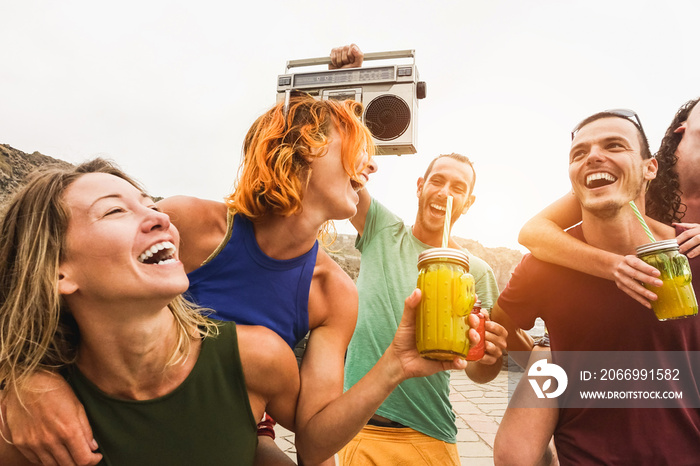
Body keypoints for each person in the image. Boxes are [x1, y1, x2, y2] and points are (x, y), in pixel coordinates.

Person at [2, 57, 484, 465]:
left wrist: (395, 365)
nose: (371, 165)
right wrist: (25, 382)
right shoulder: (186, 224)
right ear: (300, 153)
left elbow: (314, 442)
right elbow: (39, 287)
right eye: (356, 149)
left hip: (237, 427)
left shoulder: (332, 292)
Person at [0, 159, 300, 465]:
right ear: (57, 272)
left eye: (152, 206)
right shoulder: (31, 430)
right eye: (114, 211)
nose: (162, 219)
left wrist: (264, 443)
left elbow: (315, 445)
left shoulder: (258, 357)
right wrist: (18, 384)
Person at [491, 110, 700, 464]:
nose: (594, 156)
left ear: (650, 168)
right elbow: (500, 329)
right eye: (579, 153)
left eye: (614, 145)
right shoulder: (545, 266)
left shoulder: (691, 253)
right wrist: (547, 365)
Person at [340, 153, 508, 465]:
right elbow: (344, 179)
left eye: (458, 188)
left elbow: (477, 369)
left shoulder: (476, 271)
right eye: (437, 181)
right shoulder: (381, 228)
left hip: (428, 431)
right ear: (420, 186)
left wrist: (489, 356)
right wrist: (355, 154)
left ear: (468, 203)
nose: (445, 192)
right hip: (359, 427)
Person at [518, 99, 700, 309]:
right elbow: (532, 232)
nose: (595, 156)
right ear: (683, 127)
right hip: (605, 302)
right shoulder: (630, 175)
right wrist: (614, 266)